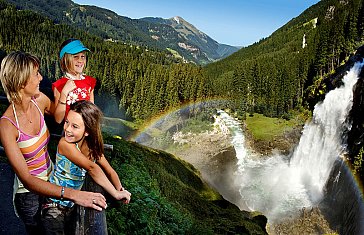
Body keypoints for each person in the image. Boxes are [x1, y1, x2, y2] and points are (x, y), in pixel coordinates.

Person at [0, 51, 107, 234]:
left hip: (52, 177)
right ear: (21, 81)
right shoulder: (7, 125)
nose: (41, 78)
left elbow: (63, 116)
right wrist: (74, 194)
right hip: (29, 195)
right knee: (39, 230)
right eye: (36, 74)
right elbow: (26, 178)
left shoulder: (39, 100)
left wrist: (81, 97)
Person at [42, 100, 131, 234]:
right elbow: (92, 168)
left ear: (87, 131)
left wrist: (120, 190)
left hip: (71, 205)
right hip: (53, 206)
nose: (67, 129)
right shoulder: (65, 144)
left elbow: (110, 171)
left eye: (75, 126)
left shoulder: (92, 148)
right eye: (67, 122)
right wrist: (115, 193)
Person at [53, 38, 96, 124]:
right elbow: (58, 119)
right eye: (75, 57)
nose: (80, 60)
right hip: (69, 129)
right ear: (65, 60)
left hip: (85, 126)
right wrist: (64, 93)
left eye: (83, 56)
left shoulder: (90, 82)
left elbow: (92, 110)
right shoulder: (59, 85)